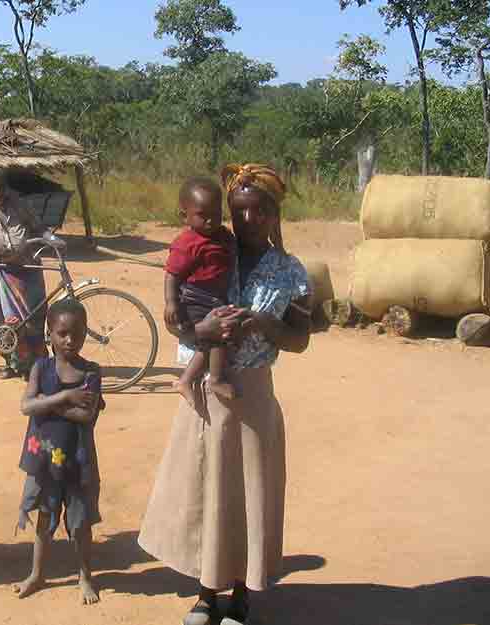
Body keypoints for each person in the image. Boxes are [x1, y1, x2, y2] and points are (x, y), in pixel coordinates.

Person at [138, 164, 313, 625]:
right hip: (206, 392)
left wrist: (262, 324)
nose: (250, 219)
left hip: (252, 395)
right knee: (206, 491)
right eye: (241, 211)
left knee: (246, 493)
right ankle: (204, 592)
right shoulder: (216, 248)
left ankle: (239, 594)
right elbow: (175, 316)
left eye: (261, 211)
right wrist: (204, 328)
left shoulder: (291, 271)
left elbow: (300, 339)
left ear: (277, 215)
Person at [14, 298, 104, 605]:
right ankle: (37, 574)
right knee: (44, 518)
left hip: (77, 462)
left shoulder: (92, 372)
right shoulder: (41, 367)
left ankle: (85, 576)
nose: (70, 340)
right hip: (46, 462)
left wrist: (47, 404)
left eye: (77, 334)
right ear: (49, 333)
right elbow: (26, 406)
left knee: (80, 524)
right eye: (62, 333)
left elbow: (86, 417)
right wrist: (65, 396)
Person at [164, 177, 236, 406]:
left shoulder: (223, 236)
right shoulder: (187, 243)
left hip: (215, 298)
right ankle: (213, 379)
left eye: (216, 213)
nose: (210, 220)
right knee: (216, 336)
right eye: (202, 215)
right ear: (184, 216)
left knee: (214, 338)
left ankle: (186, 380)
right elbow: (172, 275)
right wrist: (171, 302)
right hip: (195, 298)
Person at [0, 168, 48, 380]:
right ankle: (13, 365)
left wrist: (51, 238)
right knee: (10, 321)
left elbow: (40, 227)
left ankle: (37, 366)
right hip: (4, 273)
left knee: (35, 318)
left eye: (1, 187)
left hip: (29, 269)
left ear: (7, 188)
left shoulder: (21, 206)